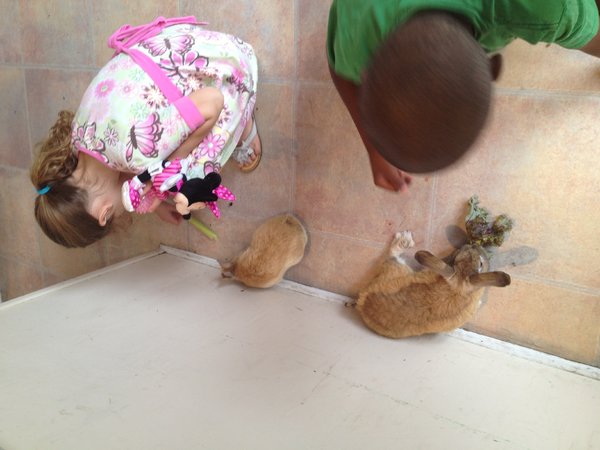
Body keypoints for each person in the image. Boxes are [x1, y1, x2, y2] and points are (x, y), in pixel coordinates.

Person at [30, 16, 261, 248]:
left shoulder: (138, 152)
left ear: (105, 214)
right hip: (168, 47)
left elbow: (211, 101)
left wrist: (171, 163)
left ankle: (244, 117)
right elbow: (126, 166)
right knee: (157, 166)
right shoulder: (78, 141)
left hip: (226, 64)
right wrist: (157, 203)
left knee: (187, 171)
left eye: (119, 213)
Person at [327, 0, 600, 192]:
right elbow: (338, 67)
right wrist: (374, 150)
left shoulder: (550, 9)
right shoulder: (359, 20)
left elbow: (592, 32)